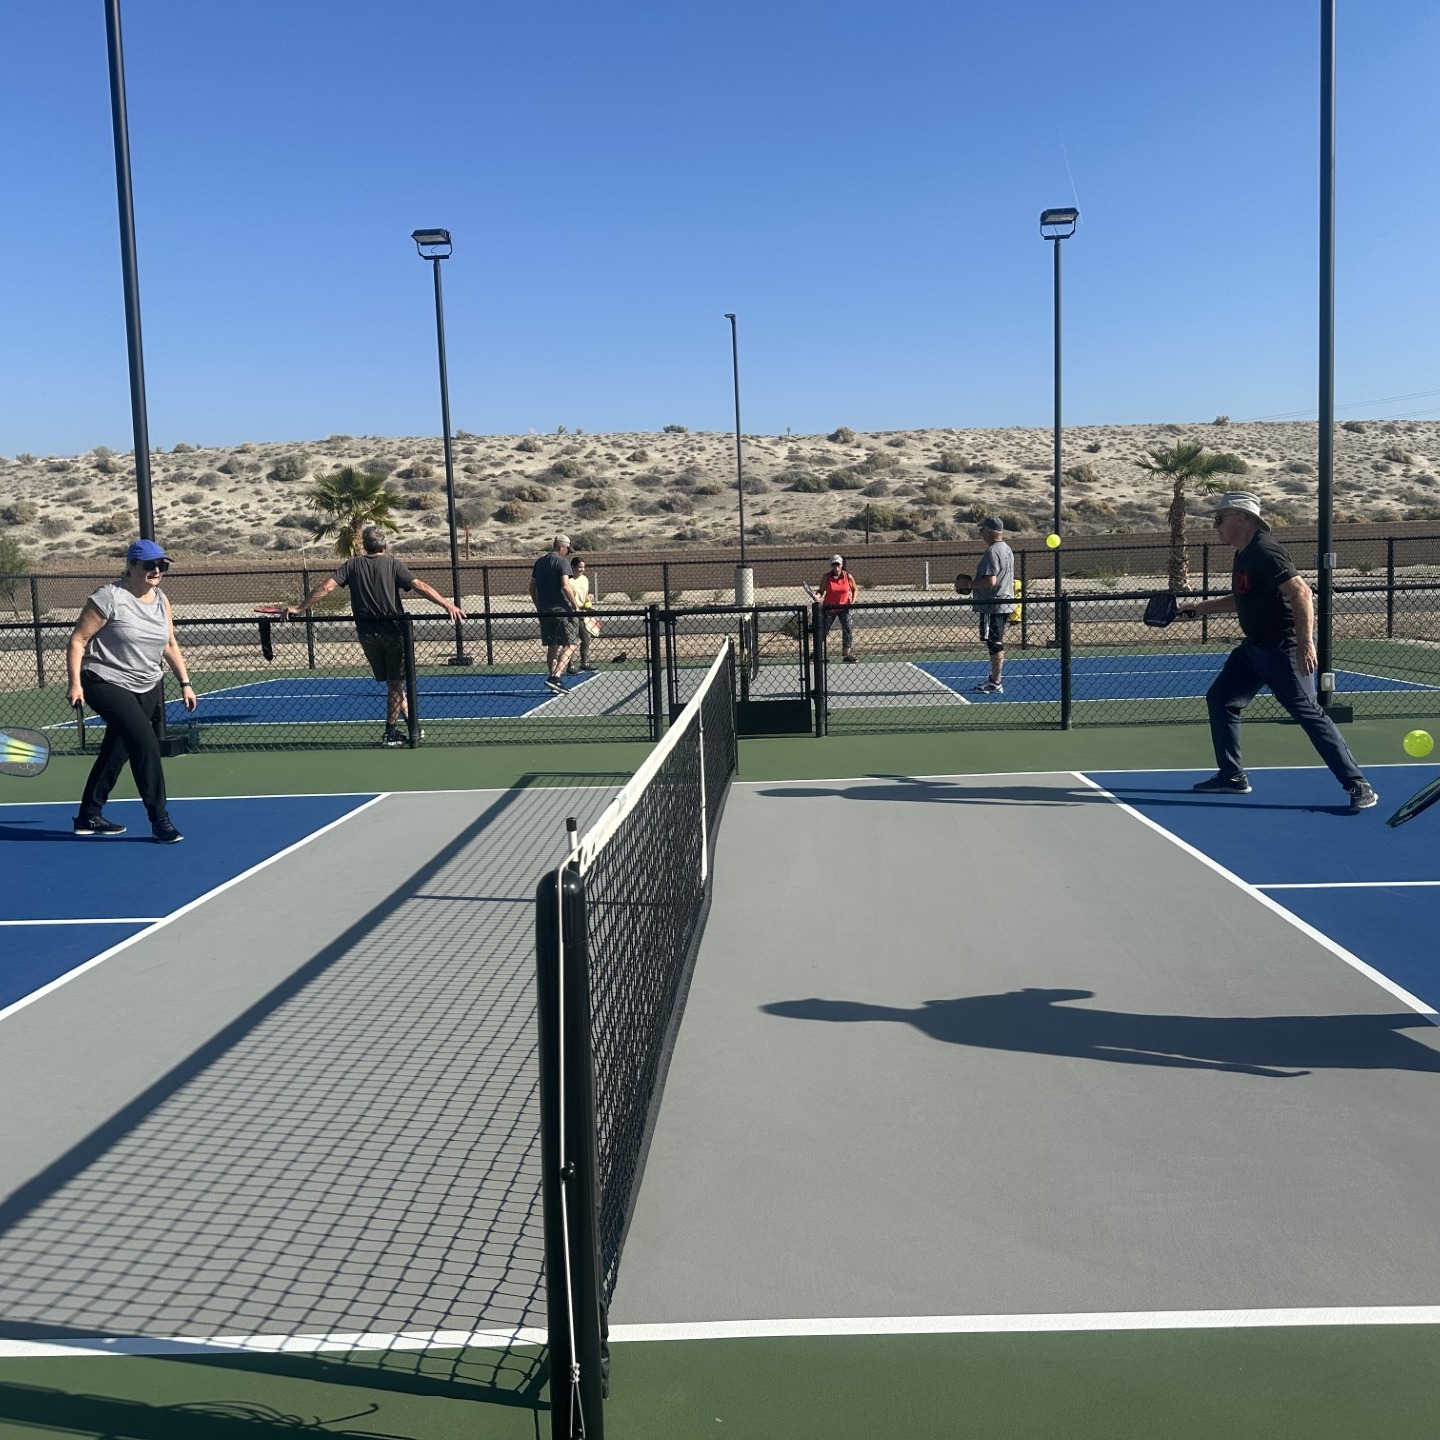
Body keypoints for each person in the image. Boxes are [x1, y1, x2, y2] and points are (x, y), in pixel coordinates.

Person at [1178, 491, 1377, 812]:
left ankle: (1357, 784)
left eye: (1220, 519)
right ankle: (1231, 776)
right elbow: (1243, 597)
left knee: (1309, 714)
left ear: (1241, 517)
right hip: (1253, 649)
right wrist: (1200, 608)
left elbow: (1300, 589)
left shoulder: (1265, 550)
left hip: (1281, 648)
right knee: (1221, 698)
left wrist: (1305, 641)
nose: (1216, 526)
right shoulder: (1244, 553)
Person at [67, 539, 196, 843]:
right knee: (146, 743)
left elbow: (169, 644)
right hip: (104, 680)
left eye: (161, 565)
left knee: (117, 749)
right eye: (149, 565)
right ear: (131, 566)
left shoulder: (162, 599)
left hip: (148, 683)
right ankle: (159, 820)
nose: (156, 570)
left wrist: (185, 683)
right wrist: (75, 683)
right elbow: (77, 640)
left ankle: (88, 816)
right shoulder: (108, 598)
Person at [287, 525, 463, 747]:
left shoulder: (351, 565)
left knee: (395, 684)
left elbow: (326, 587)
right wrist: (447, 604)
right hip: (394, 633)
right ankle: (390, 732)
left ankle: (413, 727)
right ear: (385, 545)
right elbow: (418, 585)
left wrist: (301, 608)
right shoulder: (392, 564)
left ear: (364, 545)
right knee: (396, 684)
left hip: (367, 635)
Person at [529, 534, 580, 692]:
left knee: (552, 646)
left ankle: (553, 682)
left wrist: (539, 606)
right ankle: (556, 677)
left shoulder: (539, 562)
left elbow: (532, 588)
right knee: (571, 643)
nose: (567, 553)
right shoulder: (562, 562)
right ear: (561, 547)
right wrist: (575, 606)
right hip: (561, 610)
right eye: (567, 550)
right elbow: (565, 585)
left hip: (545, 611)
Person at [971, 516, 1015, 694]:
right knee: (994, 641)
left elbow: (990, 580)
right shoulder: (1007, 549)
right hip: (1003, 601)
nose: (980, 534)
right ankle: (994, 679)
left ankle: (996, 681)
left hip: (993, 604)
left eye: (982, 530)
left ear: (989, 531)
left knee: (994, 642)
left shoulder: (992, 552)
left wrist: (969, 585)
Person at [816, 554, 857, 662]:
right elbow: (820, 591)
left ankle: (846, 654)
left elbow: (855, 589)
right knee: (823, 631)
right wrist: (817, 596)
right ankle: (817, 654)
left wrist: (853, 600)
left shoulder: (848, 576)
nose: (836, 567)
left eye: (837, 564)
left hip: (844, 608)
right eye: (833, 564)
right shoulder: (826, 577)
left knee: (847, 629)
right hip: (829, 608)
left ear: (841, 565)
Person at [566, 556, 599, 675]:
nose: (582, 569)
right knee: (572, 640)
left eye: (583, 567)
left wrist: (588, 602)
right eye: (579, 567)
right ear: (573, 567)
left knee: (586, 637)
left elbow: (585, 595)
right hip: (571, 612)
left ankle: (584, 663)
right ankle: (570, 665)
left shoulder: (584, 579)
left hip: (583, 612)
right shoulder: (568, 580)